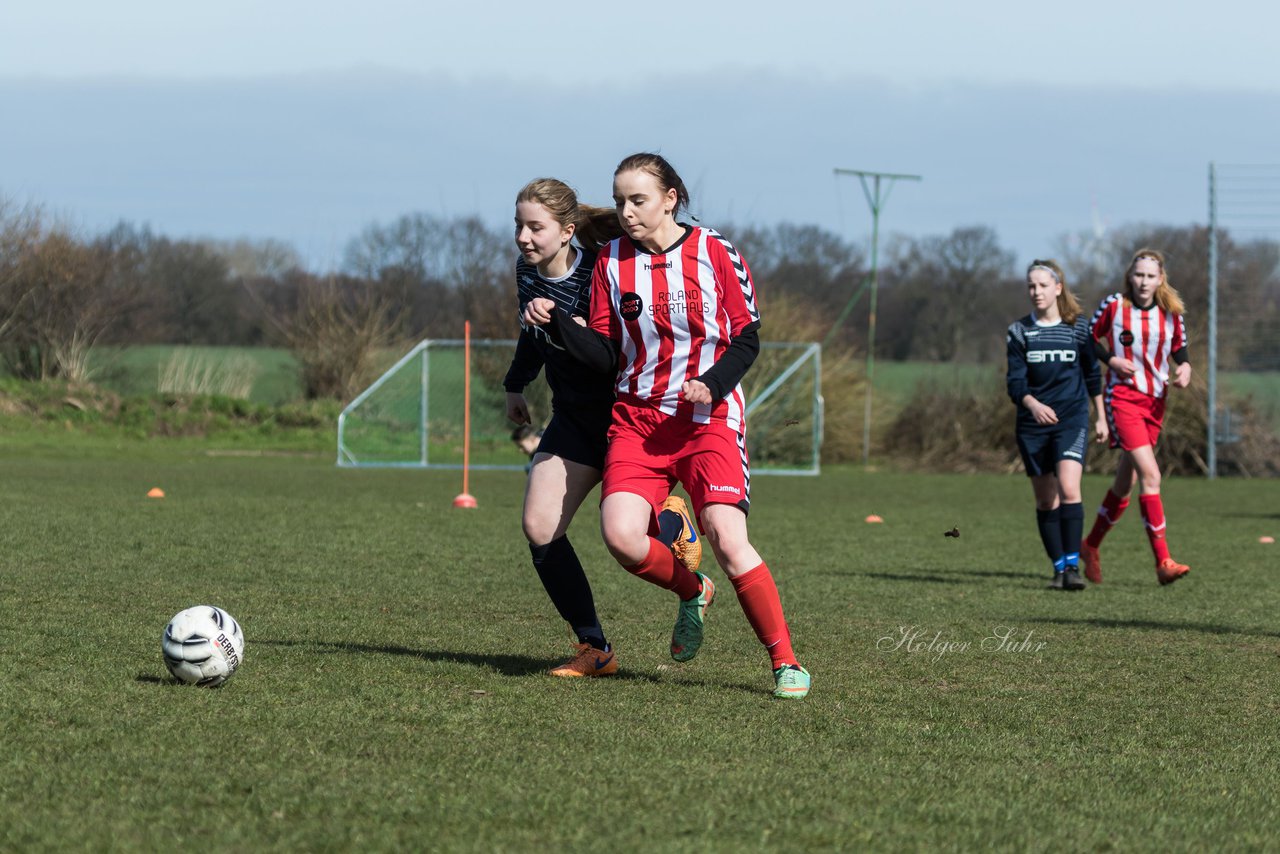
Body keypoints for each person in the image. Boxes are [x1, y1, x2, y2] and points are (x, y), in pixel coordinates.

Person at [523, 153, 810, 699]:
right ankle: (692, 589)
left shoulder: (714, 249)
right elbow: (606, 355)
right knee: (621, 537)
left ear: (670, 199)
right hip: (636, 422)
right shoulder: (610, 261)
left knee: (727, 538)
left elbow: (748, 336)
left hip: (708, 421)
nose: (627, 212)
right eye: (619, 202)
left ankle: (785, 662)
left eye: (639, 200)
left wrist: (714, 382)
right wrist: (559, 325)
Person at [503, 177, 701, 679]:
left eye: (536, 228)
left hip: (624, 419)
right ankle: (595, 647)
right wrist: (515, 384)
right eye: (519, 227)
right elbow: (532, 334)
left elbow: (605, 357)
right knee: (539, 528)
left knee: (623, 534)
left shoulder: (602, 273)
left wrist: (558, 325)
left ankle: (673, 526)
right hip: (571, 419)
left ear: (567, 230)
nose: (525, 238)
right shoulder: (527, 275)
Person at [1081, 248, 1192, 586]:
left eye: (1150, 276)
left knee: (1125, 482)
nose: (1144, 282)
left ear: (1161, 279)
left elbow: (1179, 348)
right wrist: (1111, 361)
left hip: (1155, 402)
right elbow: (1086, 338)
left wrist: (1185, 367)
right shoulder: (1114, 306)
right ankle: (1163, 562)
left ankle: (1089, 546)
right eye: (1138, 275)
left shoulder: (1171, 312)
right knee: (1151, 475)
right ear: (1130, 276)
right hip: (1123, 399)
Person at [1005, 259, 1107, 591]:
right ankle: (1059, 568)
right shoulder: (1019, 331)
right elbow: (1015, 383)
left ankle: (1073, 569)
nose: (1036, 291)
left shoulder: (1078, 328)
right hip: (1032, 425)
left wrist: (1101, 416)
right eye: (1031, 286)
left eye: (1043, 285)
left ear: (1058, 288)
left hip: (1071, 419)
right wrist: (1032, 404)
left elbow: (1093, 374)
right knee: (1046, 501)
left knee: (1069, 488)